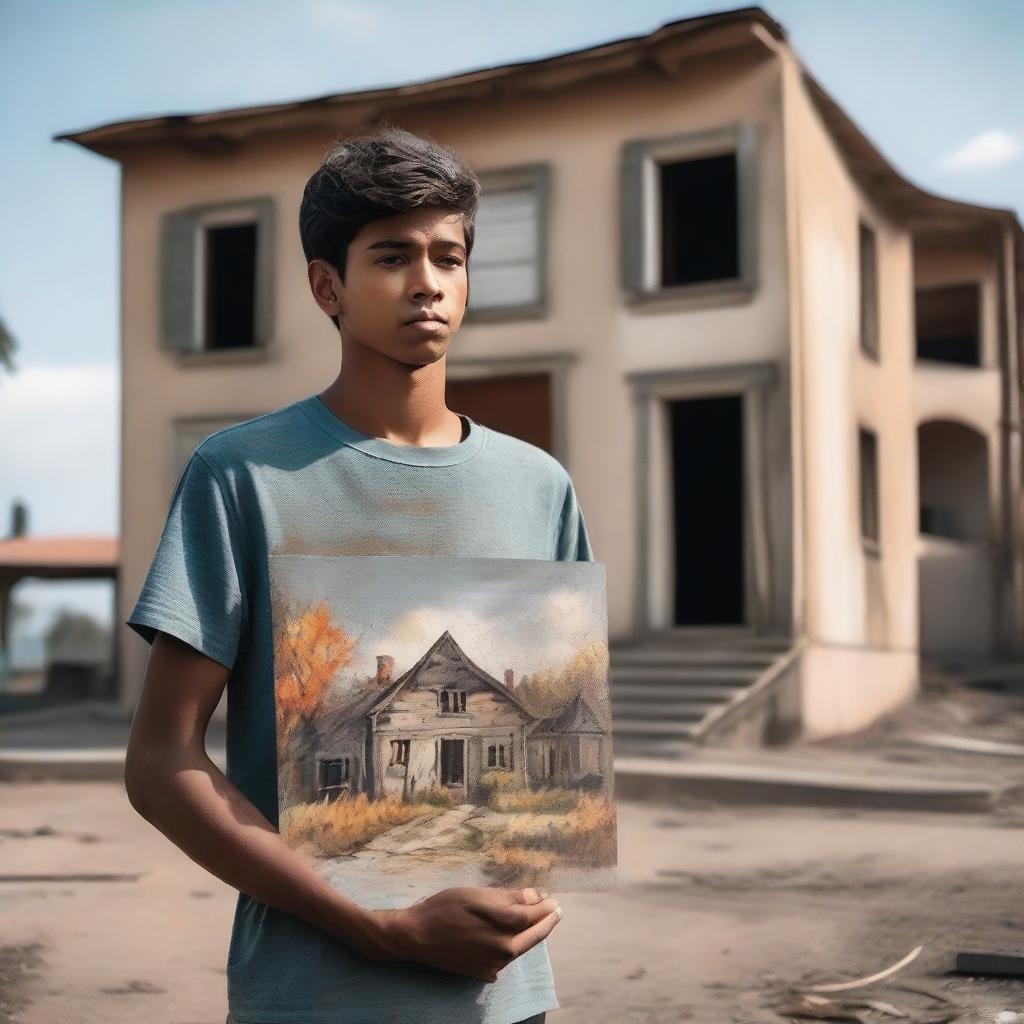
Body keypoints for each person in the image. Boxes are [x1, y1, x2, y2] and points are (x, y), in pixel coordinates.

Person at [123, 125, 595, 1024]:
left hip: (510, 1000)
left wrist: (547, 858)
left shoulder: (539, 486)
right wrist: (383, 926)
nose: (428, 282)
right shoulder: (243, 474)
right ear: (325, 284)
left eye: (449, 257)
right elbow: (161, 764)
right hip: (312, 998)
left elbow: (561, 758)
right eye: (392, 256)